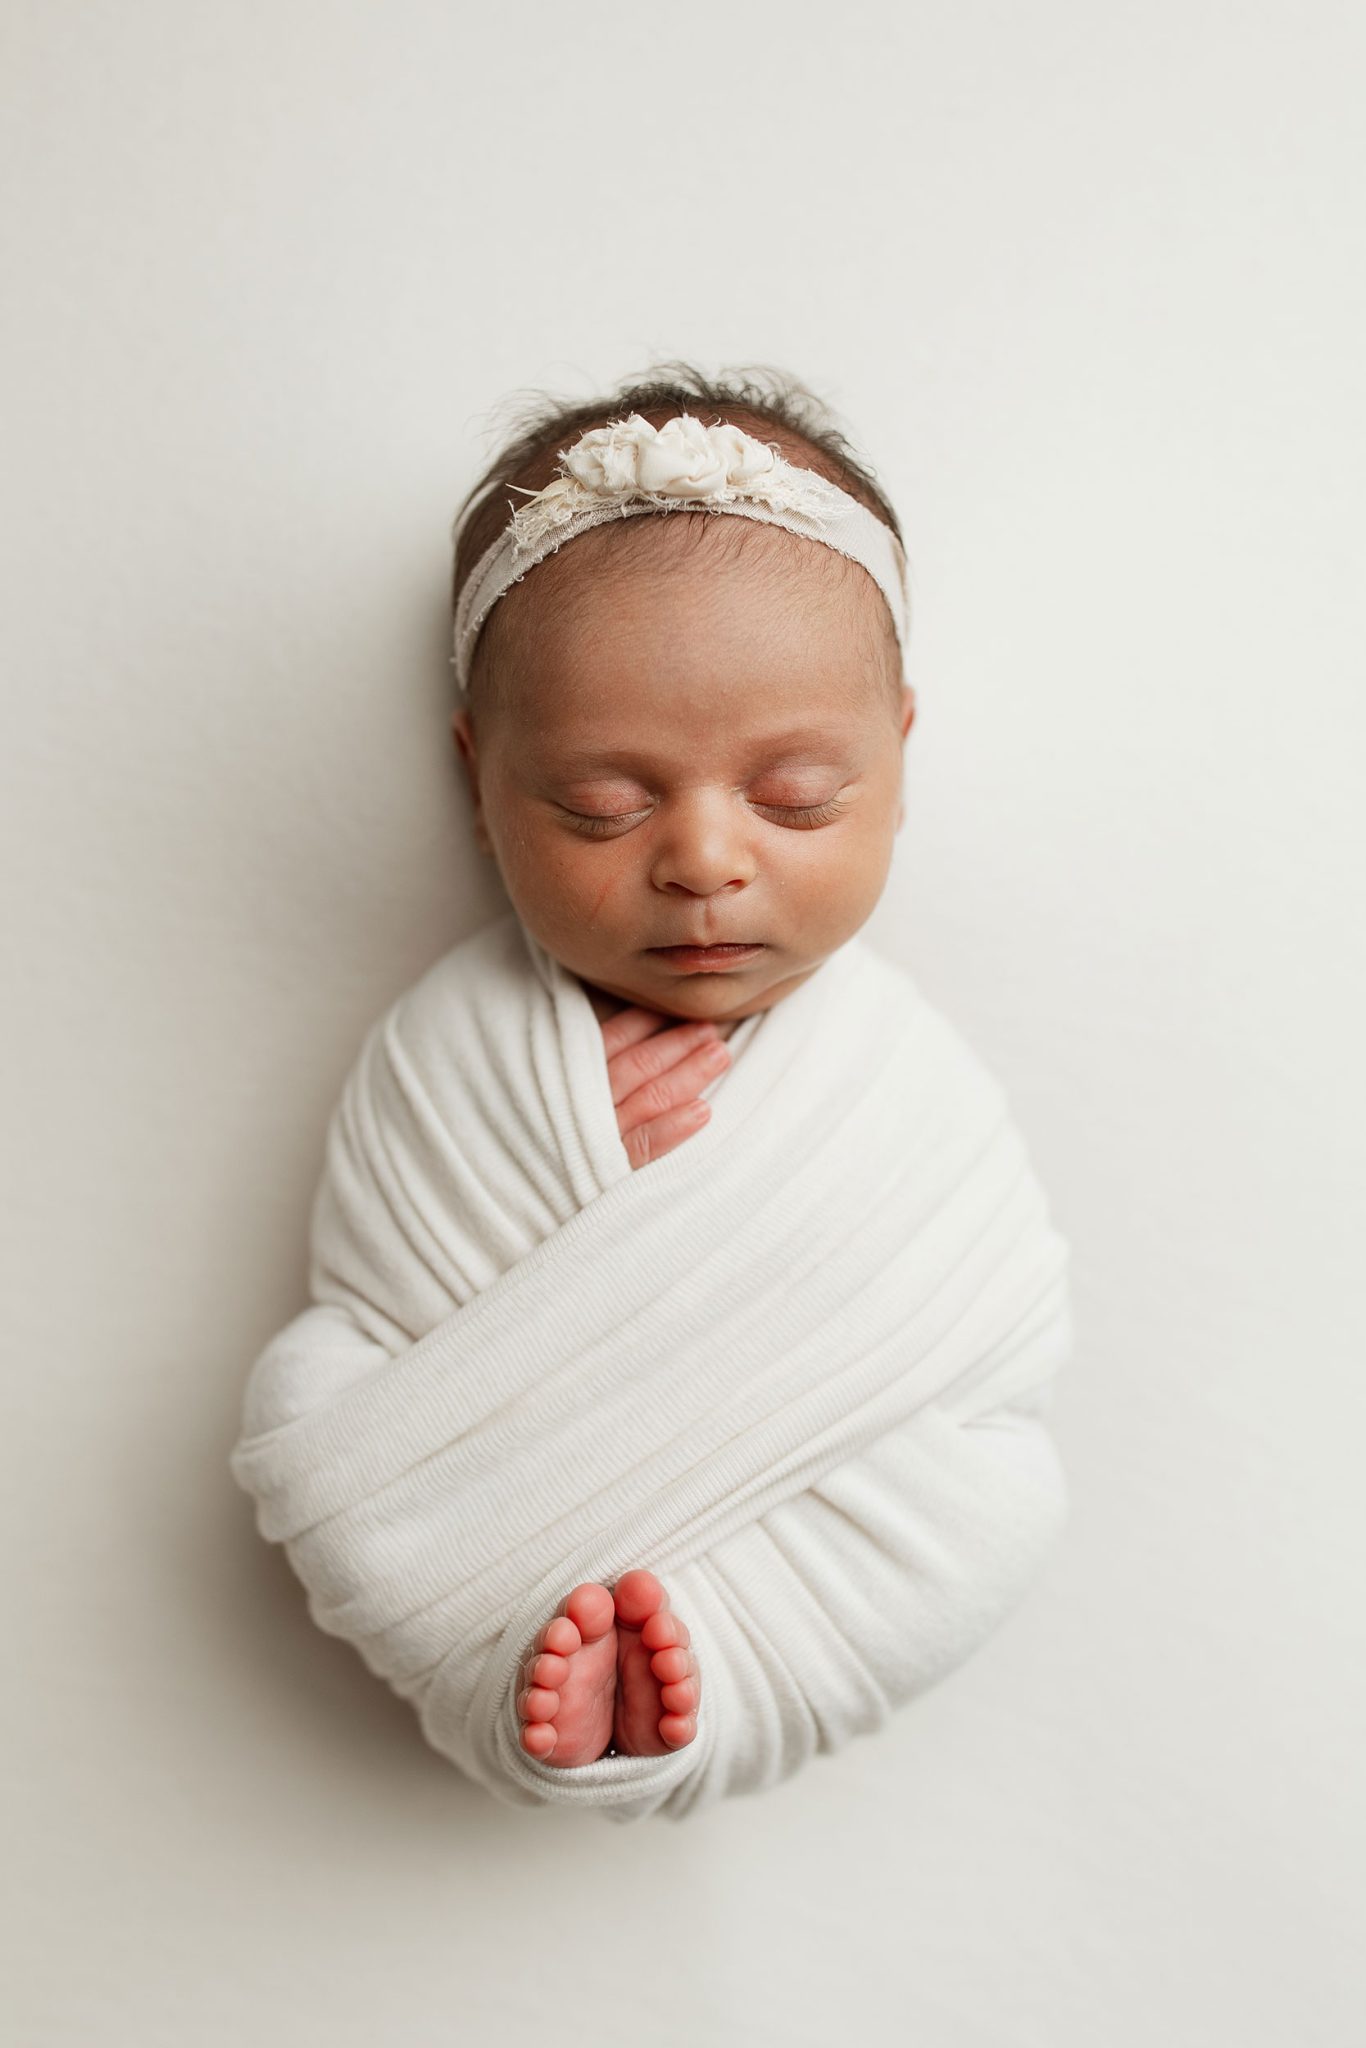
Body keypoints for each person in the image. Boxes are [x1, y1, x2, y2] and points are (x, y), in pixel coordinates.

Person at [230, 362, 1072, 1823]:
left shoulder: (902, 1072)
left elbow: (987, 1325)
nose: (703, 862)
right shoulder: (453, 1047)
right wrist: (562, 1149)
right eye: (602, 807)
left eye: (796, 797)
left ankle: (711, 1674)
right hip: (484, 1520)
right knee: (307, 1392)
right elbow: (383, 1289)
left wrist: (680, 1205)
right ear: (479, 782)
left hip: (826, 1534)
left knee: (1000, 1499)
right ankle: (552, 1671)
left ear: (897, 756)